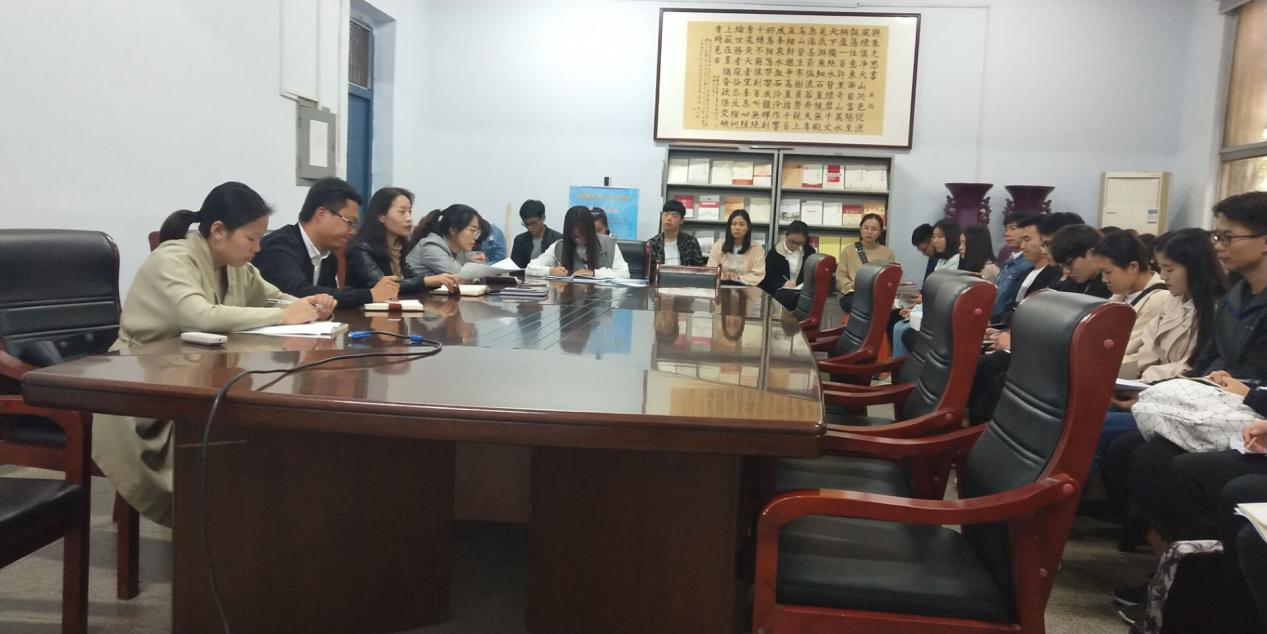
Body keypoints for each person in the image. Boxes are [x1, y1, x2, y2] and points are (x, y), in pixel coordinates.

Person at [93, 182, 336, 526]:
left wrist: (309, 305)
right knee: (228, 448)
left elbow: (273, 297)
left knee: (259, 432)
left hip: (195, 375)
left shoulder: (235, 266)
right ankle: (212, 529)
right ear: (219, 230)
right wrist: (285, 316)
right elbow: (201, 316)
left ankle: (248, 524)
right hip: (140, 387)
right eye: (251, 238)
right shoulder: (173, 258)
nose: (258, 248)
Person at [1106, 192, 1267, 603]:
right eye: (1217, 237)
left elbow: (1251, 379)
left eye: (1229, 237)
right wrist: (1184, 390)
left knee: (1190, 471)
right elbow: (1208, 361)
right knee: (1138, 453)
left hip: (1253, 420)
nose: (1220, 247)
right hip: (1219, 410)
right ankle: (1172, 573)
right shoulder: (1237, 297)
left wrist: (1248, 390)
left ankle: (1201, 592)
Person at [254, 177, 397, 307]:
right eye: (350, 222)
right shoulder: (278, 247)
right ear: (321, 214)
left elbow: (330, 299)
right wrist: (369, 295)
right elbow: (298, 292)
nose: (353, 232)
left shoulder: (328, 255)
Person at [346, 187, 460, 295]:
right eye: (402, 212)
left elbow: (411, 279)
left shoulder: (398, 245)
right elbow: (384, 286)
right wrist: (427, 281)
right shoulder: (361, 248)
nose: (409, 218)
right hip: (363, 308)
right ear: (381, 216)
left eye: (409, 211)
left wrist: (438, 280)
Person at [1089, 230, 1170, 353]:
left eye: (1108, 272)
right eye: (1102, 273)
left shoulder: (1159, 299)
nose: (1104, 279)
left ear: (1133, 267)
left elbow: (1126, 348)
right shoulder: (1122, 293)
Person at [526, 205, 630, 278]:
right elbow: (530, 268)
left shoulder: (609, 244)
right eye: (574, 235)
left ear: (590, 230)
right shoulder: (559, 246)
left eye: (582, 233)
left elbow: (624, 274)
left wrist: (593, 273)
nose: (577, 239)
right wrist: (551, 271)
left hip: (601, 300)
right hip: (568, 299)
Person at [406, 204, 483, 281]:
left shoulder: (460, 250)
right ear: (453, 230)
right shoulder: (431, 246)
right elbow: (463, 275)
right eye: (472, 230)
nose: (476, 237)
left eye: (477, 232)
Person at [835, 212, 895, 311]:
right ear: (860, 229)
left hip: (877, 295)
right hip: (853, 294)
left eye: (874, 229)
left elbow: (890, 279)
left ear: (880, 232)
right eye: (866, 228)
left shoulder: (888, 253)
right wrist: (853, 287)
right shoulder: (849, 250)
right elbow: (840, 277)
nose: (869, 232)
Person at [990, 212, 1038, 322]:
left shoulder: (1028, 264)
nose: (1007, 234)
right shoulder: (1010, 259)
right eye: (1006, 229)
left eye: (1013, 229)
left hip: (1005, 322)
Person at [760, 220, 816, 309]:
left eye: (800, 243)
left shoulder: (810, 252)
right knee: (788, 296)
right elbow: (767, 278)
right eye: (792, 242)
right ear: (786, 236)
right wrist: (783, 284)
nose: (795, 246)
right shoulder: (775, 252)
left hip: (802, 292)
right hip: (780, 292)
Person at [707, 209, 766, 286]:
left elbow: (757, 274)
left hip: (747, 288)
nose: (737, 228)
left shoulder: (756, 248)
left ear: (748, 227)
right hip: (722, 286)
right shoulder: (718, 246)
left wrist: (738, 278)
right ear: (729, 227)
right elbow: (711, 270)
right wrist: (724, 276)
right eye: (734, 224)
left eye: (742, 224)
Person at [1048, 224, 1111, 297]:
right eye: (1063, 265)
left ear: (1091, 253)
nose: (1067, 271)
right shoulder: (1072, 284)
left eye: (1069, 264)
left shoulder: (1111, 285)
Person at [647, 199, 706, 266]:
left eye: (674, 216)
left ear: (681, 220)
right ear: (661, 217)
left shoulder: (690, 242)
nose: (669, 218)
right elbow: (648, 269)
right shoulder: (652, 243)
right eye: (666, 214)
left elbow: (696, 269)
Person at [510, 199, 562, 268]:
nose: (530, 227)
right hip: (525, 274)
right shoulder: (519, 240)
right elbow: (514, 269)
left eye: (533, 223)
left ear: (543, 218)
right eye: (526, 224)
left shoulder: (558, 240)